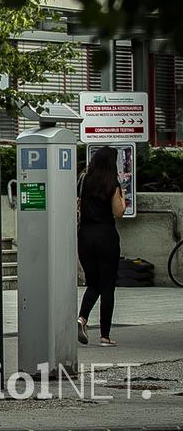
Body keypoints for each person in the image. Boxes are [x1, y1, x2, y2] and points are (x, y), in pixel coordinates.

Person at [77, 146, 126, 347]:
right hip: (106, 235)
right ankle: (105, 336)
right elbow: (118, 212)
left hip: (85, 236)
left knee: (94, 282)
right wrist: (122, 196)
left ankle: (82, 318)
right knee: (107, 285)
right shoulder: (112, 184)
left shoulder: (83, 180)